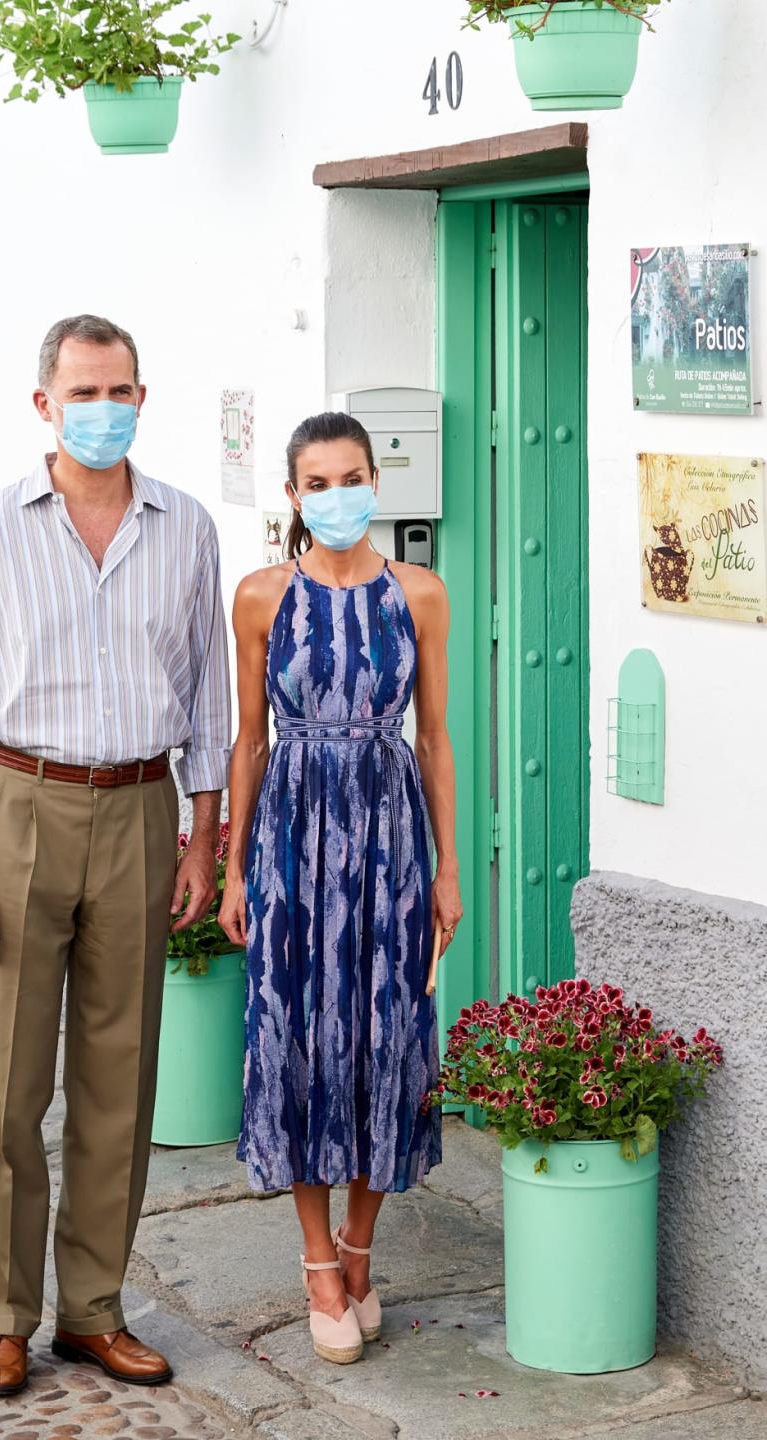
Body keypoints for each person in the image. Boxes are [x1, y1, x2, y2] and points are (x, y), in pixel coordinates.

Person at [0, 314, 231, 1396]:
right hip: (17, 806)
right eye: (85, 393)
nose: (106, 410)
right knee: (7, 1084)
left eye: (123, 391)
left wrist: (204, 833)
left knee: (117, 1080)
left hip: (140, 809)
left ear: (145, 398)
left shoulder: (184, 527)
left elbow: (209, 696)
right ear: (43, 405)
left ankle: (92, 1311)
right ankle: (4, 1315)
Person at [219, 411, 462, 1365]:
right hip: (291, 836)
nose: (335, 496)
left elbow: (436, 739)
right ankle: (319, 1260)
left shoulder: (422, 596)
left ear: (375, 481)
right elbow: (248, 741)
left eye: (350, 477)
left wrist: (446, 866)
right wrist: (236, 867)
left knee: (388, 1035)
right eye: (315, 483)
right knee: (300, 1035)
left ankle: (363, 1246)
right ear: (292, 495)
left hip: (393, 836)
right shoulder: (260, 597)